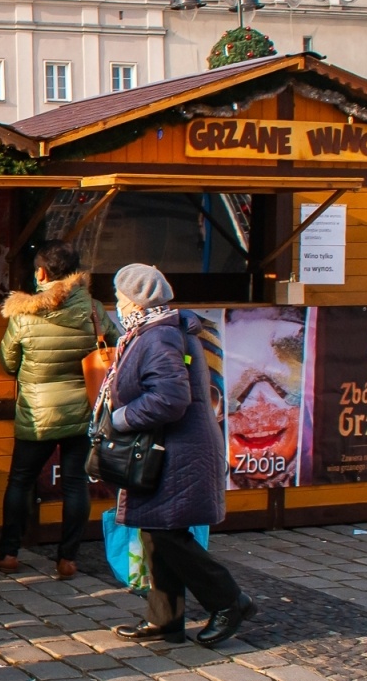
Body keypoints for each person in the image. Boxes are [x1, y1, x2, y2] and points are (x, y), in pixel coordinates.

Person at [101, 264, 255, 648]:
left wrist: (120, 417)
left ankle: (229, 601)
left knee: (167, 534)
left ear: (136, 299)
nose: (117, 303)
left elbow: (170, 398)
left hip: (176, 450)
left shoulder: (158, 337)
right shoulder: (154, 331)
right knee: (156, 531)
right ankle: (165, 620)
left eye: (120, 296)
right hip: (167, 448)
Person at [0, 242, 117, 579]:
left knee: (21, 480)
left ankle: (8, 553)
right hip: (82, 412)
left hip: (37, 414)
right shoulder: (94, 310)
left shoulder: (24, 315)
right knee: (75, 484)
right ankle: (68, 559)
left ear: (41, 273)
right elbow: (115, 347)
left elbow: (8, 361)